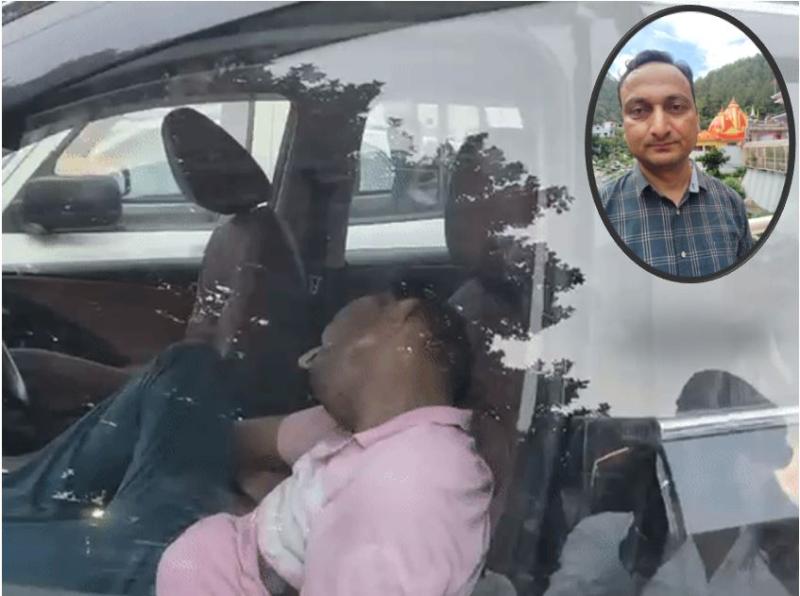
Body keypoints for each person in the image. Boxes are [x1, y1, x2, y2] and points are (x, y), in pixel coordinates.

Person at [4, 282, 493, 595]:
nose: (307, 361)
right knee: (187, 368)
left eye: (322, 348)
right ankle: (23, 497)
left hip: (165, 577)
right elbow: (225, 442)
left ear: (400, 318)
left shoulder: (407, 488)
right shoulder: (370, 427)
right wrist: (265, 493)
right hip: (214, 530)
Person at [543, 370, 797, 596]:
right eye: (691, 440)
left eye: (733, 447)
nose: (718, 465)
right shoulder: (607, 540)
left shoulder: (788, 561)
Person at [600, 49, 753, 278]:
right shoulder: (600, 211)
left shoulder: (732, 205)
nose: (660, 128)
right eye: (639, 111)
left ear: (697, 120)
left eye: (676, 107)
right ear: (623, 127)